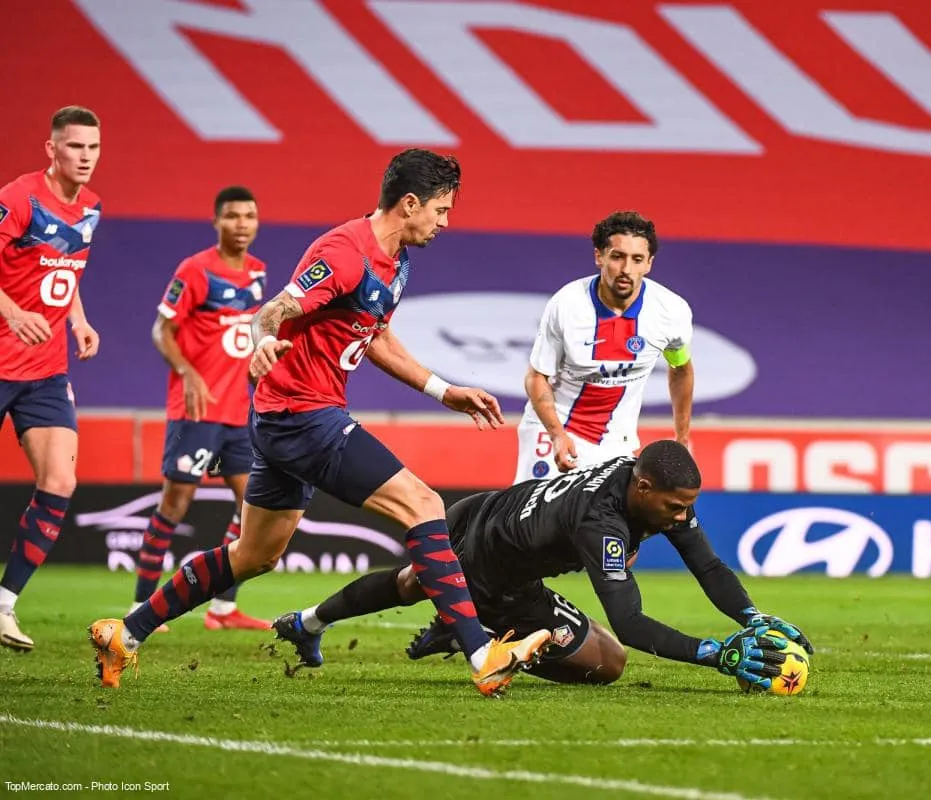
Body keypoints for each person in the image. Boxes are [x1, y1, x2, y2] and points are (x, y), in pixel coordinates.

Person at [88, 149, 551, 695]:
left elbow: (374, 334)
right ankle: (482, 655)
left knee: (254, 555)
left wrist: (441, 389)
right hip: (302, 416)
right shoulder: (344, 253)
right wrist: (262, 344)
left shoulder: (396, 259)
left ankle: (127, 633)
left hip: (290, 418)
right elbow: (273, 311)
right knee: (424, 505)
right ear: (409, 204)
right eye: (441, 210)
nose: (445, 221)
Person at [274, 441, 812, 689]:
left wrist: (752, 617)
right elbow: (629, 623)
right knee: (608, 662)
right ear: (644, 488)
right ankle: (481, 624)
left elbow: (707, 564)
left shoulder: (643, 484)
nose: (683, 516)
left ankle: (308, 622)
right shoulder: (601, 524)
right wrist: (713, 654)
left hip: (481, 509)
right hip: (498, 572)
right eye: (675, 506)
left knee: (411, 581)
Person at [128, 186, 269, 633]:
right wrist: (188, 372)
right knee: (175, 505)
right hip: (197, 410)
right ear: (217, 222)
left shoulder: (258, 274)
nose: (242, 223)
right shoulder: (195, 270)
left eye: (249, 215)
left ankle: (222, 609)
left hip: (238, 413)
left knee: (253, 506)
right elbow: (160, 331)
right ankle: (139, 605)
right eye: (232, 216)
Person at [0, 106, 103, 651]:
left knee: (60, 482)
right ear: (51, 149)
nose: (85, 157)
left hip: (44, 371)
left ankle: (4, 606)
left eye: (93, 147)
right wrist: (11, 312)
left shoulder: (90, 207)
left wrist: (79, 320)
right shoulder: (19, 198)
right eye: (75, 147)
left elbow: (65, 269)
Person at [515, 211, 693, 483]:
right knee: (534, 521)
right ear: (599, 257)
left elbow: (680, 367)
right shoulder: (567, 305)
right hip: (554, 428)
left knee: (606, 525)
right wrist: (557, 435)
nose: (626, 270)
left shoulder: (671, 312)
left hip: (616, 444)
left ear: (649, 264)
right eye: (617, 256)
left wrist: (682, 437)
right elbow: (537, 376)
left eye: (637, 259)